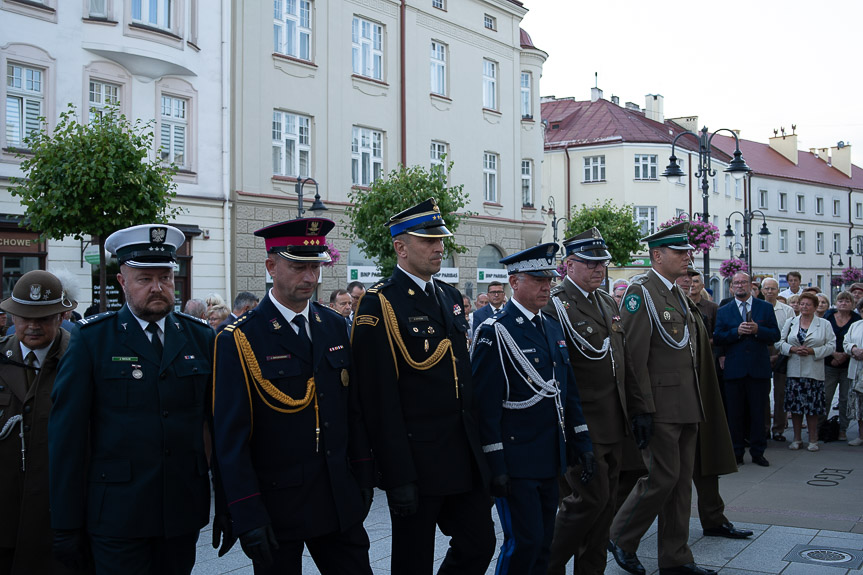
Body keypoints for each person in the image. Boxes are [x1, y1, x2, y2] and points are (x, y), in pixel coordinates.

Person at [48, 224, 216, 575]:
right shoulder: (93, 340)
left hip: (181, 510)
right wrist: (64, 523)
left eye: (165, 277)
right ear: (123, 282)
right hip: (117, 514)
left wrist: (229, 506)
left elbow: (215, 425)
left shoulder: (200, 338)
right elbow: (67, 437)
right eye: (144, 278)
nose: (157, 287)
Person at [213, 218, 374, 574]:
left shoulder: (333, 326)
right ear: (271, 266)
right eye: (298, 266)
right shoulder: (240, 338)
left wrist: (363, 476)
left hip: (335, 496)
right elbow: (230, 437)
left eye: (315, 266)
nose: (310, 277)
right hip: (277, 504)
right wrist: (245, 510)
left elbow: (352, 410)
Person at [351, 199, 495, 575]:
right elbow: (378, 398)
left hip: (462, 453)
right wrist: (396, 473)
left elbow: (461, 378)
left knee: (479, 543)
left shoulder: (448, 297)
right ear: (401, 247)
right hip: (417, 459)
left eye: (440, 239)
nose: (439, 247)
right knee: (413, 561)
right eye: (427, 240)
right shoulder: (379, 303)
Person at [609, 221, 733, 575]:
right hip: (659, 406)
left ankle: (676, 558)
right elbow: (632, 356)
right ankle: (619, 534)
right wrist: (640, 408)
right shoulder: (641, 292)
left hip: (686, 403)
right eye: (680, 252)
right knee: (661, 478)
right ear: (657, 255)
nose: (688, 257)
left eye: (688, 251)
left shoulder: (677, 293)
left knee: (680, 486)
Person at [471, 242, 594, 575]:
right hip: (515, 459)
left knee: (543, 541)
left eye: (549, 279)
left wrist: (581, 441)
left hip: (549, 454)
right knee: (522, 542)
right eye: (538, 279)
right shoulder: (495, 331)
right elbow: (484, 405)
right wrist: (495, 463)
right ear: (514, 282)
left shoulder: (551, 326)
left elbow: (566, 393)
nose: (547, 286)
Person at [542, 229, 647, 575]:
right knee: (587, 502)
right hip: (583, 421)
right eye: (589, 263)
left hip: (614, 420)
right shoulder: (556, 305)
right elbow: (557, 371)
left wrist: (639, 408)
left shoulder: (605, 301)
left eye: (601, 262)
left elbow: (624, 360)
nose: (598, 269)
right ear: (568, 265)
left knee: (606, 507)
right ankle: (544, 565)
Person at [0, 271, 82, 575]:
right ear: (11, 317)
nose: (32, 325)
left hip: (60, 518)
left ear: (62, 316)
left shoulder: (81, 359)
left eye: (44, 317)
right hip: (5, 514)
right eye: (23, 317)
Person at [714, 272, 780, 466]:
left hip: (758, 369)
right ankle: (736, 452)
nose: (740, 286)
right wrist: (736, 332)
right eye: (736, 283)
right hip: (734, 370)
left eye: (743, 282)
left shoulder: (765, 308)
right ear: (731, 287)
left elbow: (775, 334)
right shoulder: (725, 310)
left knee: (758, 413)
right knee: (735, 414)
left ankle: (758, 452)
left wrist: (758, 330)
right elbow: (718, 337)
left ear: (751, 285)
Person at [775, 291, 836, 451]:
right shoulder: (791, 322)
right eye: (802, 304)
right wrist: (792, 348)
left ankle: (813, 438)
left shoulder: (824, 324)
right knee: (795, 407)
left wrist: (812, 351)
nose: (804, 307)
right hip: (794, 370)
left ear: (815, 307)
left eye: (808, 304)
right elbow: (779, 343)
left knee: (812, 407)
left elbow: (831, 346)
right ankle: (796, 438)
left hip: (813, 371)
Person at [819, 291, 859, 442]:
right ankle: (819, 428)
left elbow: (856, 340)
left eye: (847, 301)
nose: (844, 303)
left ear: (852, 304)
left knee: (845, 398)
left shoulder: (856, 319)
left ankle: (843, 429)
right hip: (829, 362)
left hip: (848, 364)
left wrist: (844, 355)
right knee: (825, 397)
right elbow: (822, 337)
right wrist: (834, 354)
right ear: (836, 302)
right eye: (841, 300)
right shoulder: (828, 316)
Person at [760, 278, 795, 441]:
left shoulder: (787, 310)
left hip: (782, 351)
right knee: (763, 393)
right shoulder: (757, 307)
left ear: (778, 290)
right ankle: (765, 427)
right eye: (766, 288)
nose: (769, 292)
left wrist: (779, 353)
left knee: (781, 393)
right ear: (761, 290)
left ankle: (779, 429)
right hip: (762, 351)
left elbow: (790, 334)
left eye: (773, 289)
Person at [842, 300, 863, 446]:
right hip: (856, 369)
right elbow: (846, 342)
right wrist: (853, 349)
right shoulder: (855, 325)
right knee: (859, 405)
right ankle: (861, 435)